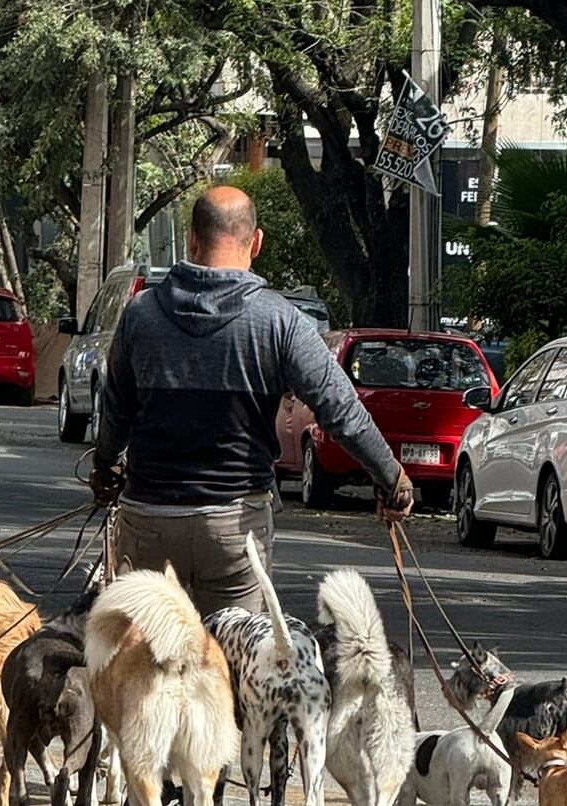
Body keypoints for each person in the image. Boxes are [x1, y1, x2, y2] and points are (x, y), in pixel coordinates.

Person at [89, 186, 413, 615]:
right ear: (255, 241)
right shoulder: (280, 321)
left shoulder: (140, 315)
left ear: (191, 239)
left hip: (149, 520)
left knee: (145, 665)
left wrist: (105, 465)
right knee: (235, 666)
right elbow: (341, 410)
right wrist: (392, 478)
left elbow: (115, 409)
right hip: (234, 528)